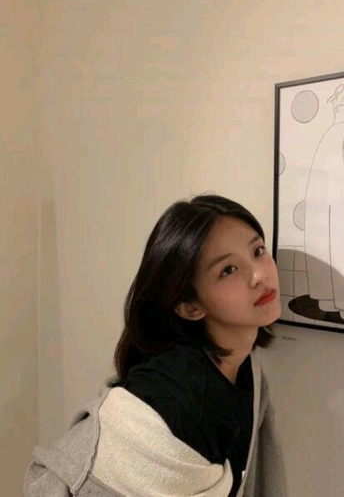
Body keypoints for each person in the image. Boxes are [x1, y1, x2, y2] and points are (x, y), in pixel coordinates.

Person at [23, 194, 287, 497]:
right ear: (190, 306)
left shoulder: (246, 371)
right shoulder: (179, 400)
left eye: (258, 251)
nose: (259, 275)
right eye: (228, 270)